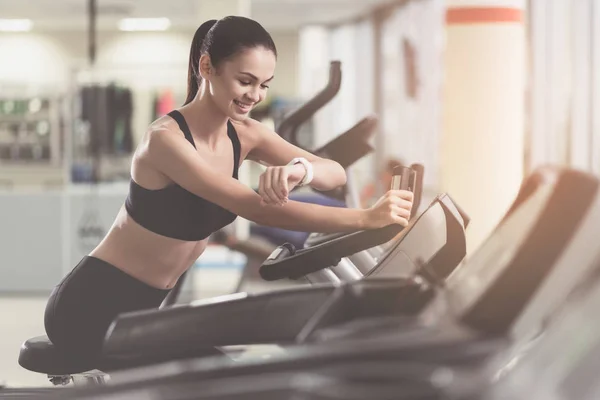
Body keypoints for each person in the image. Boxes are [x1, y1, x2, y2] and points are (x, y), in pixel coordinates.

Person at [44, 16, 414, 362]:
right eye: (246, 80)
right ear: (207, 67)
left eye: (264, 85)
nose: (255, 95)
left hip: (145, 306)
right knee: (218, 375)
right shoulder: (165, 141)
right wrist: (366, 218)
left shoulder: (246, 133)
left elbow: (335, 173)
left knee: (222, 369)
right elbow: (258, 208)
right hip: (92, 306)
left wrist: (299, 171)